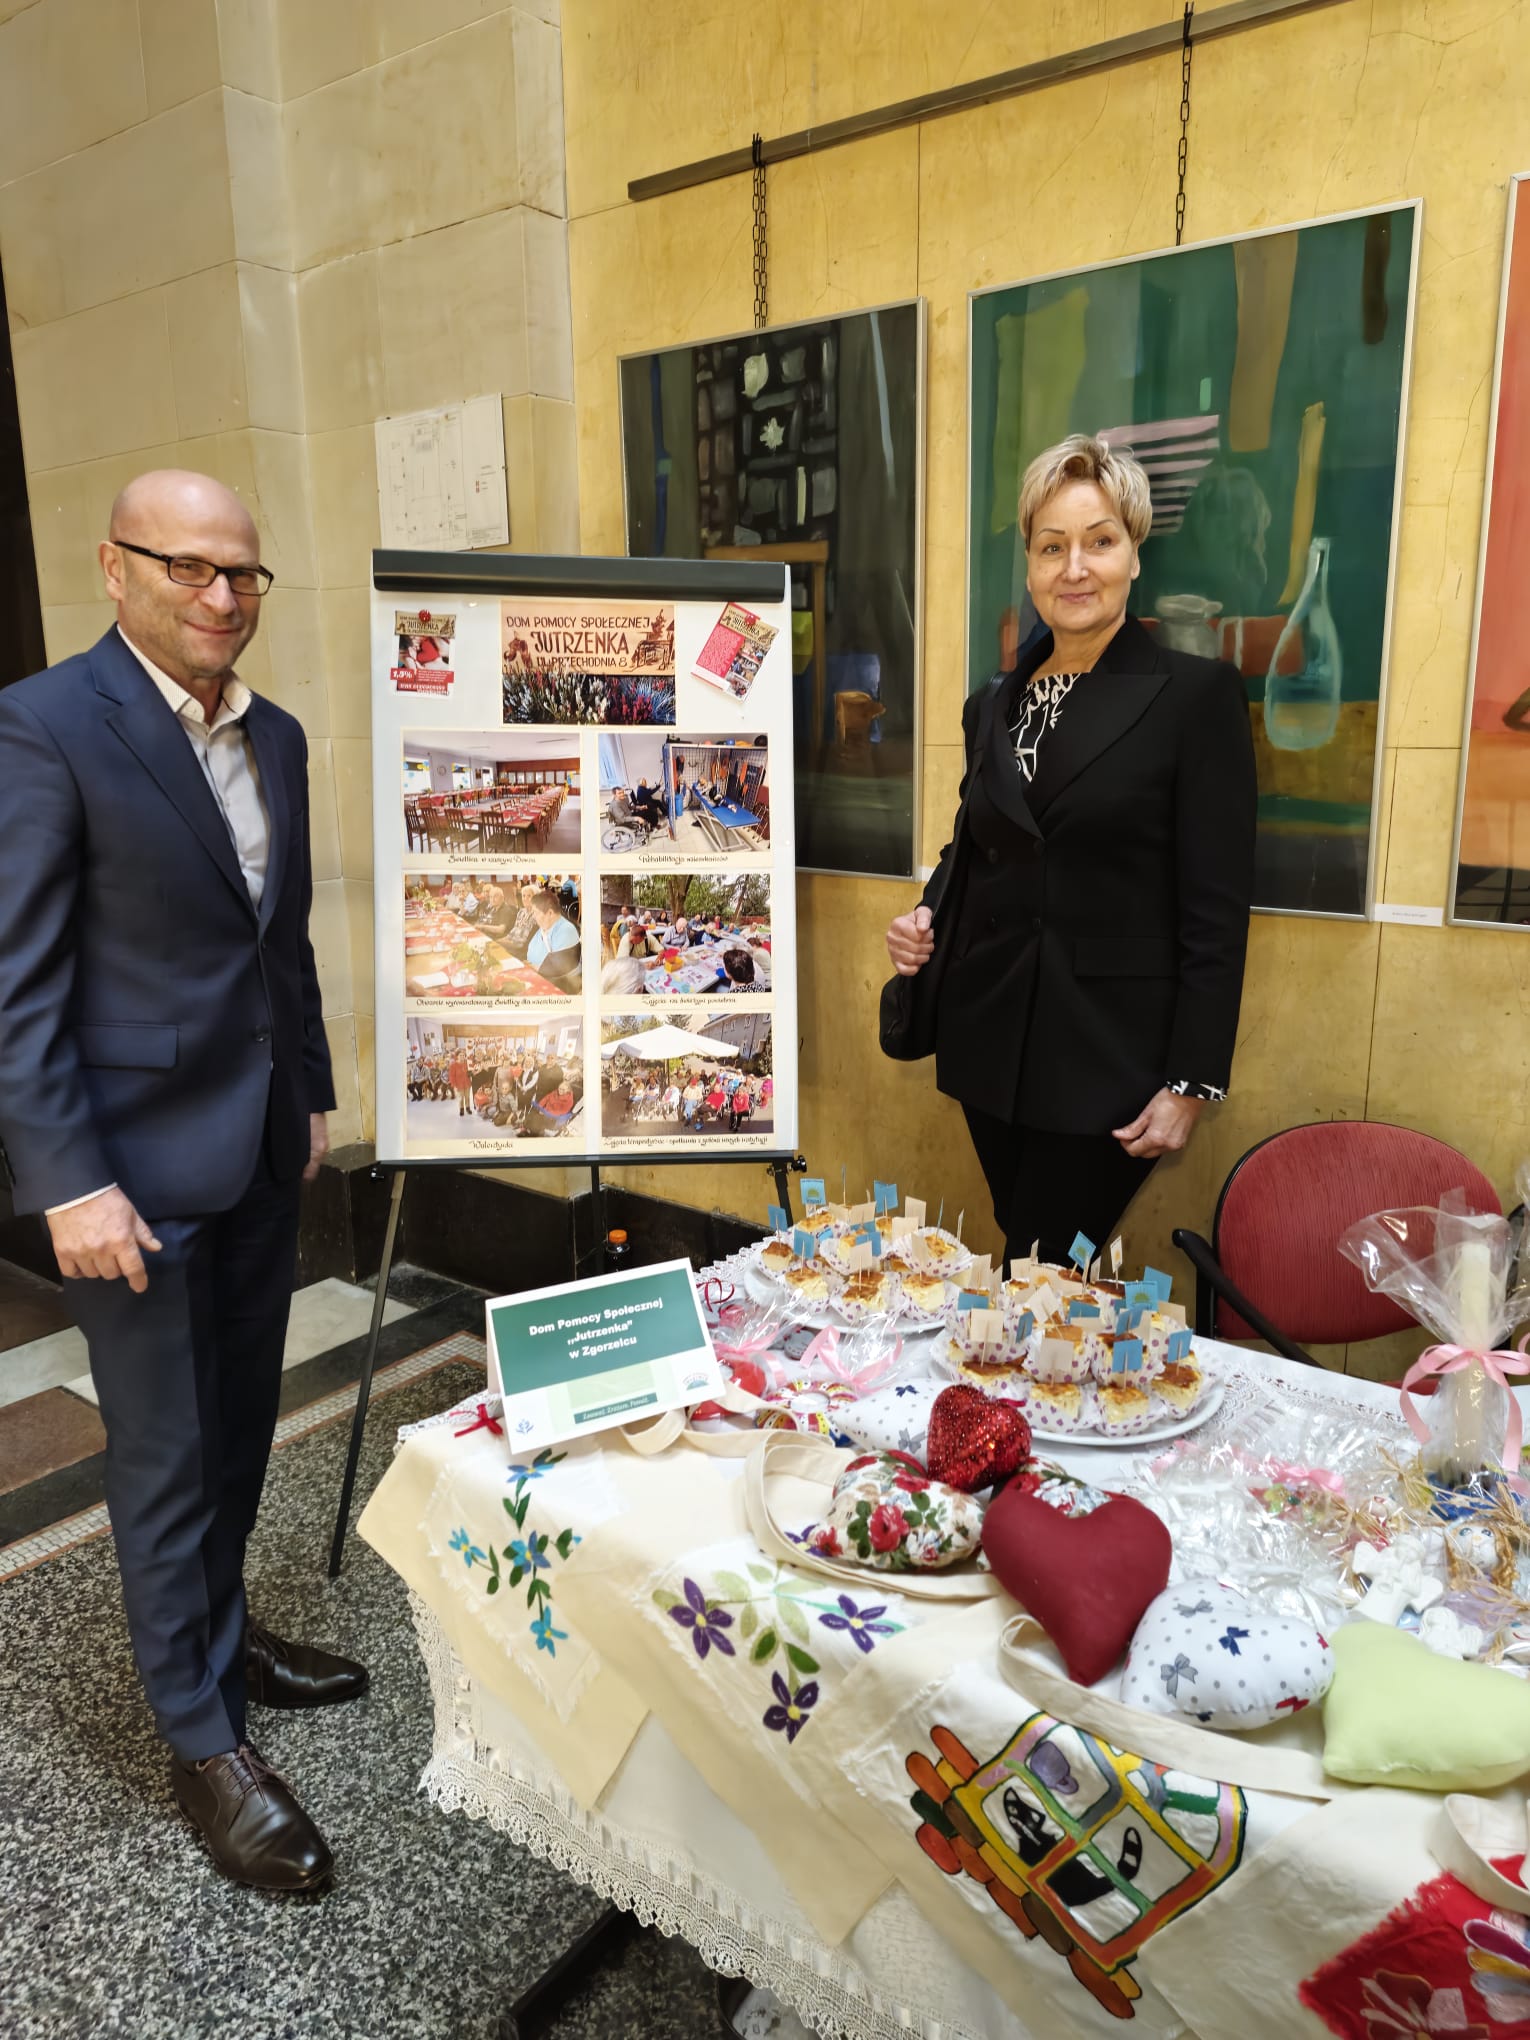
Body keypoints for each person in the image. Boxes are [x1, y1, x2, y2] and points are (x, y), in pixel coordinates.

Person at [0, 469, 366, 1894]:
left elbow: (282, 940)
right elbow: (20, 987)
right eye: (188, 567)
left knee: (239, 1429)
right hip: (131, 1177)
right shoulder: (44, 727)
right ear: (116, 567)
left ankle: (225, 1639)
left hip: (258, 1145)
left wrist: (312, 1089)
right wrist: (68, 1183)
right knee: (163, 1455)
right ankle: (203, 1740)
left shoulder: (275, 734)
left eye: (242, 572)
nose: (222, 596)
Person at [885, 434, 1257, 1267]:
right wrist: (923, 915)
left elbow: (1216, 909)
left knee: (1040, 1262)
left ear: (1134, 554)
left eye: (1099, 541)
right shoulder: (994, 702)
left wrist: (1192, 1082)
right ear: (1029, 566)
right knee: (1038, 1261)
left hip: (1110, 1060)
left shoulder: (1196, 698)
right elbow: (974, 843)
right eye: (1052, 547)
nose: (1075, 568)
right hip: (990, 1040)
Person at [524, 888, 581, 985]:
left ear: (550, 913)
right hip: (540, 977)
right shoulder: (544, 927)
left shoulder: (566, 930)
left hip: (563, 985)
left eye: (536, 912)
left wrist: (532, 967)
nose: (533, 916)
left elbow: (557, 970)